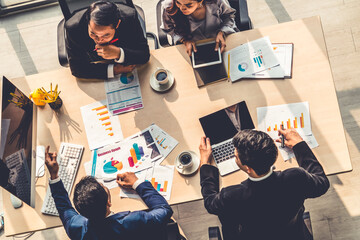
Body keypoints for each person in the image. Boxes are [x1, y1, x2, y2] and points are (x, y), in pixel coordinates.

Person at [199, 129, 330, 240]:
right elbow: (322, 183)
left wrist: (205, 164)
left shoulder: (231, 196)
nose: (235, 155)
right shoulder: (296, 178)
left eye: (236, 157)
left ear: (248, 168)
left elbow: (210, 203)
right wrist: (299, 144)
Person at [44, 146, 172, 240]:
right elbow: (165, 210)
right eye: (103, 186)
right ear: (109, 203)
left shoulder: (76, 228)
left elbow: (64, 208)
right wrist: (137, 183)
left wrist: (54, 175)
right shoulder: (134, 221)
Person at [65, 0, 150, 79]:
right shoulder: (74, 28)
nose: (99, 40)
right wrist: (114, 70)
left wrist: (119, 53)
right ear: (88, 22)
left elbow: (144, 55)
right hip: (95, 60)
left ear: (117, 24)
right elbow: (77, 68)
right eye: (93, 33)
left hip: (125, 51)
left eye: (106, 35)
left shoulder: (129, 18)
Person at [161, 0, 237, 56]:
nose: (182, 8)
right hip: (192, 48)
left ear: (200, 1)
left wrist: (222, 32)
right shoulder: (170, 8)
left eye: (189, 5)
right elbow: (169, 29)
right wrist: (184, 40)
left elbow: (229, 16)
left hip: (220, 42)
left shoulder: (217, 2)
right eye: (178, 2)